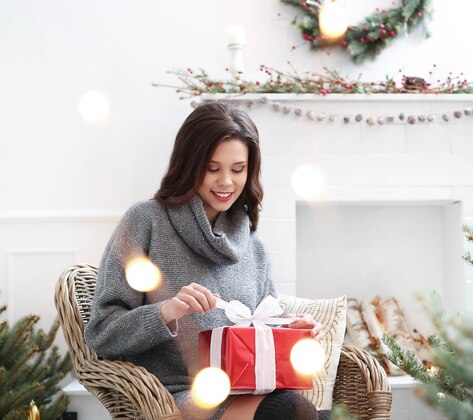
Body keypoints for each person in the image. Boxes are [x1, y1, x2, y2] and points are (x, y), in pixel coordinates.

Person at [84, 102, 328, 419]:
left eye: (237, 169)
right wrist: (167, 311)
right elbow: (102, 334)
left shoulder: (253, 245)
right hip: (182, 395)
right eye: (213, 168)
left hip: (251, 392)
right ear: (190, 164)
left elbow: (260, 339)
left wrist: (290, 330)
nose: (226, 181)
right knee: (291, 411)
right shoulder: (146, 222)